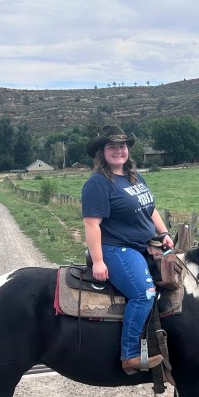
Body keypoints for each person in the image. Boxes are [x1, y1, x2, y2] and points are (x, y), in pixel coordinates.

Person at [81, 125, 175, 374]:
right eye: (112, 146)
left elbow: (150, 209)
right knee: (143, 294)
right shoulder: (98, 184)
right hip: (117, 248)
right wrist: (99, 261)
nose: (119, 151)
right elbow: (92, 224)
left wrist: (163, 233)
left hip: (144, 244)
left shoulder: (133, 176)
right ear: (102, 152)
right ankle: (130, 355)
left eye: (122, 146)